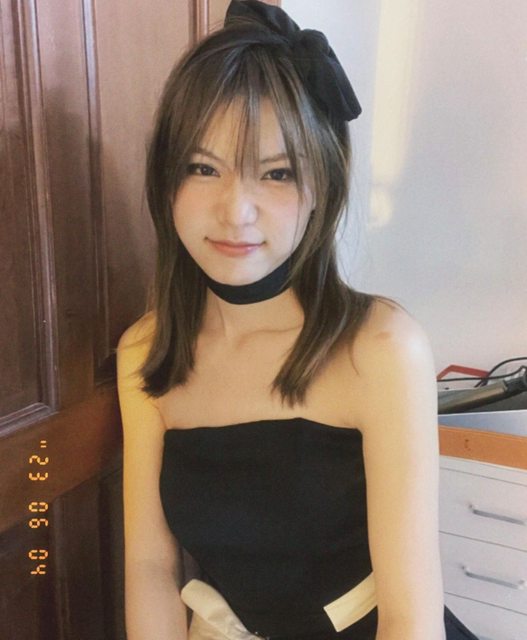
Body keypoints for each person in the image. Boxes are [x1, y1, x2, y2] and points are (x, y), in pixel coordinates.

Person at [116, 2, 480, 639]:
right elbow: (149, 566)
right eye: (203, 168)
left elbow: (409, 615)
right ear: (165, 180)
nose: (236, 210)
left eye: (277, 173)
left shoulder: (381, 349)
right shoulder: (145, 352)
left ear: (321, 189)